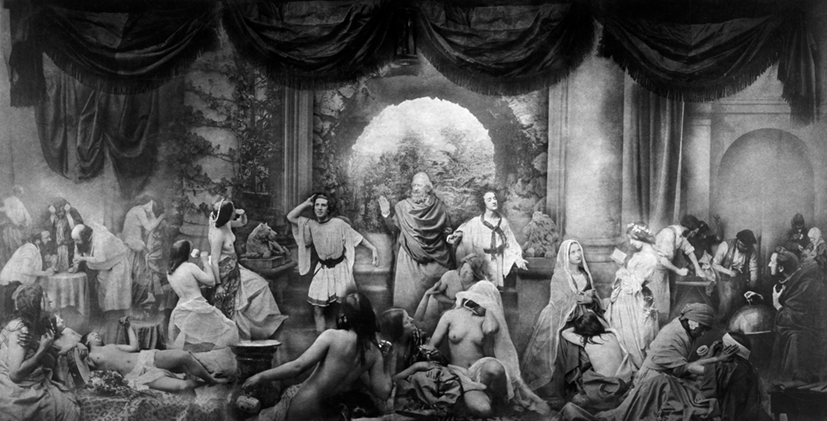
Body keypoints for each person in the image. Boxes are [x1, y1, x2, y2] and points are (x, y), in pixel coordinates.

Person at [243, 292, 393, 421]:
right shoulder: (374, 352)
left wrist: (260, 376)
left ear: (344, 317)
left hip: (304, 404)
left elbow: (298, 367)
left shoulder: (332, 336)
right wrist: (386, 358)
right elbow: (383, 392)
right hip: (327, 412)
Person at [558, 331, 765, 421]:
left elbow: (692, 369)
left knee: (658, 383)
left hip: (703, 401)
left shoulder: (729, 368)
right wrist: (714, 355)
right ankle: (620, 414)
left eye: (722, 345)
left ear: (729, 350)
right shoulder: (742, 367)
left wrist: (715, 358)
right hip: (701, 395)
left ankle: (617, 417)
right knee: (657, 384)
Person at [430, 281, 549, 417]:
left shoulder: (484, 320)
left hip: (480, 373)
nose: (490, 306)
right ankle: (474, 397)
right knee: (483, 409)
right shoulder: (450, 315)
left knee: (496, 368)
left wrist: (489, 308)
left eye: (491, 303)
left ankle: (496, 399)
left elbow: (490, 329)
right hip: (458, 374)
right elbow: (432, 345)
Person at [522, 239, 603, 406]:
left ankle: (584, 387)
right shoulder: (560, 276)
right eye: (572, 252)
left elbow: (594, 298)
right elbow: (557, 302)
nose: (577, 255)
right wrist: (577, 300)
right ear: (566, 256)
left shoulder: (585, 275)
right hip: (562, 319)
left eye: (578, 250)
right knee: (564, 343)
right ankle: (565, 389)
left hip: (584, 317)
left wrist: (589, 300)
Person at [288, 193, 379, 332]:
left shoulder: (339, 224)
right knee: (317, 309)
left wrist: (373, 249)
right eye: (317, 205)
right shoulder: (310, 224)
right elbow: (290, 217)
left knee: (346, 308)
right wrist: (306, 204)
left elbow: (357, 238)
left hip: (340, 269)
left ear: (328, 208)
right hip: (323, 269)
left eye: (323, 205)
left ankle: (346, 339)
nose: (319, 208)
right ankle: (321, 340)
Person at [209, 199, 287, 340]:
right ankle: (239, 334)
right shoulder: (217, 234)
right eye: (233, 210)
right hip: (225, 271)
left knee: (261, 285)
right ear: (227, 213)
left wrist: (242, 213)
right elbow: (214, 261)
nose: (235, 211)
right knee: (236, 302)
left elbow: (242, 222)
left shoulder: (227, 223)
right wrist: (219, 285)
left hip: (235, 266)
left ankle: (263, 326)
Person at [82, 317, 228, 392]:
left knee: (184, 356)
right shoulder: (88, 357)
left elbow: (134, 347)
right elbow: (78, 360)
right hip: (136, 375)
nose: (97, 335)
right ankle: (206, 382)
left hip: (144, 358)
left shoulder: (111, 346)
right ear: (86, 341)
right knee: (181, 386)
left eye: (97, 334)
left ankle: (211, 379)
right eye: (92, 335)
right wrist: (80, 347)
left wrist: (128, 327)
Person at [0, 284, 79, 420]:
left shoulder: (42, 323)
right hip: (15, 386)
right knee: (65, 408)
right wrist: (41, 349)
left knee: (69, 406)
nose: (50, 300)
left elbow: (52, 361)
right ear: (35, 303)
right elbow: (15, 375)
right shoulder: (21, 329)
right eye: (45, 296)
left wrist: (38, 346)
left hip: (33, 378)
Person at [379, 172, 453, 316]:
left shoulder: (438, 207)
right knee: (408, 300)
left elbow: (446, 229)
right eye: (414, 185)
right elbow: (394, 229)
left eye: (419, 185)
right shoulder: (403, 207)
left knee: (437, 296)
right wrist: (386, 214)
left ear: (428, 188)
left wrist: (450, 238)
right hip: (409, 259)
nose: (415, 189)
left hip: (435, 256)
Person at [447, 187, 527, 289]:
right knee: (482, 289)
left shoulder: (502, 222)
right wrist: (458, 234)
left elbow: (510, 242)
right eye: (489, 199)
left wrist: (518, 258)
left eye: (494, 198)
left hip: (498, 261)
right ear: (483, 203)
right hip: (483, 260)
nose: (493, 201)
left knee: (496, 290)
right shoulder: (476, 222)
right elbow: (464, 229)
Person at [166, 240, 238, 352]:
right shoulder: (190, 267)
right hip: (197, 306)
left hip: (181, 308)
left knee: (190, 341)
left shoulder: (169, 272)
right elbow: (211, 282)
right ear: (186, 253)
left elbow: (189, 284)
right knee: (230, 328)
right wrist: (205, 262)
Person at [606, 223, 659, 369]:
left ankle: (638, 364)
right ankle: (626, 361)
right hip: (626, 296)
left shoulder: (649, 258)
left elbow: (634, 284)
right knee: (623, 332)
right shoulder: (640, 254)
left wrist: (621, 269)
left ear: (641, 237)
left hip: (632, 298)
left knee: (636, 334)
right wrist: (623, 268)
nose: (631, 242)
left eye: (633, 239)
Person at [769, 247, 827, 382]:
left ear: (781, 268)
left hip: (811, 335)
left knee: (793, 336)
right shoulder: (793, 279)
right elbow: (790, 304)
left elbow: (793, 318)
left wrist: (777, 305)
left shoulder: (806, 285)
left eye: (772, 262)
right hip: (802, 329)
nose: (769, 265)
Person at [560, 311, 634, 411]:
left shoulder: (587, 341)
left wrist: (578, 326)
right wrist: (593, 315)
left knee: (584, 380)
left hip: (607, 385)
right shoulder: (612, 335)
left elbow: (564, 333)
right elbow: (608, 327)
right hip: (624, 381)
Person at [634, 302, 723, 386]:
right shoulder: (671, 336)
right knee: (695, 393)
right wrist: (716, 359)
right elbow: (680, 371)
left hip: (664, 376)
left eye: (706, 330)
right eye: (702, 328)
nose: (703, 333)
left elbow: (683, 367)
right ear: (694, 323)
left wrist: (709, 355)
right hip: (650, 380)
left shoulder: (682, 329)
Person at [71, 223, 132, 340]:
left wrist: (82, 259)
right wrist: (76, 265)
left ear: (85, 236)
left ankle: (117, 331)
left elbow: (100, 258)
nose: (75, 242)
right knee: (104, 298)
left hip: (116, 265)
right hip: (104, 267)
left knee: (113, 299)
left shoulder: (101, 240)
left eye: (77, 240)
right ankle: (109, 329)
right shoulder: (82, 238)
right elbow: (78, 251)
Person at [652, 215, 707, 326]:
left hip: (663, 271)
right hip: (653, 271)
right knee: (656, 303)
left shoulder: (680, 235)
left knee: (663, 303)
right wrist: (678, 271)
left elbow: (689, 250)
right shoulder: (668, 234)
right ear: (687, 230)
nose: (693, 235)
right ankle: (657, 329)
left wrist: (698, 268)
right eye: (693, 233)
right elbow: (663, 259)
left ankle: (661, 327)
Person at [413, 253, 487, 333]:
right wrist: (451, 302)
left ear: (475, 276)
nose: (463, 273)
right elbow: (435, 294)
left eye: (468, 272)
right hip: (436, 310)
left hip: (454, 315)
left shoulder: (477, 286)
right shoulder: (450, 276)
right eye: (463, 268)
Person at [122, 195, 166, 308]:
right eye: (152, 204)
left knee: (141, 272)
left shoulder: (139, 210)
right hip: (131, 245)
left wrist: (152, 214)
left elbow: (147, 231)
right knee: (137, 273)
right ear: (150, 202)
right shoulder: (139, 210)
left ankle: (140, 298)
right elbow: (149, 228)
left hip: (135, 245)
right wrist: (161, 217)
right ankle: (132, 301)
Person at [0, 230, 54, 316]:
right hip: (9, 286)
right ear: (37, 240)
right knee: (13, 315)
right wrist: (44, 273)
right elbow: (25, 270)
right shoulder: (29, 249)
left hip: (17, 286)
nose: (50, 239)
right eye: (46, 237)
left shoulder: (35, 249)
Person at [711, 229, 759, 323]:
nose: (746, 249)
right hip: (725, 277)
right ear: (738, 241)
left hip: (741, 278)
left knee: (740, 300)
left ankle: (735, 323)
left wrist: (753, 283)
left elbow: (754, 268)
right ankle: (723, 322)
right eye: (744, 246)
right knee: (727, 299)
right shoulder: (725, 246)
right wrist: (729, 272)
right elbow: (715, 264)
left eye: (748, 247)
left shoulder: (751, 250)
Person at [40, 198, 83, 273]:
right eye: (58, 213)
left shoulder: (72, 213)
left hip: (70, 246)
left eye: (62, 213)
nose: (60, 215)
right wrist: (52, 215)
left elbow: (76, 228)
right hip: (55, 246)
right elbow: (48, 229)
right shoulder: (50, 214)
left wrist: (68, 214)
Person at [0, 186, 32, 270]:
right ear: (15, 192)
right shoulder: (7, 201)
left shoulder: (19, 202)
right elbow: (9, 213)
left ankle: (19, 269)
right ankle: (12, 269)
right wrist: (17, 223)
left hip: (19, 229)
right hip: (10, 229)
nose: (19, 194)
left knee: (19, 247)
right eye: (18, 192)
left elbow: (26, 213)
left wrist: (27, 222)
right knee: (11, 248)